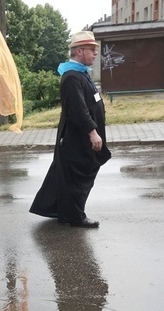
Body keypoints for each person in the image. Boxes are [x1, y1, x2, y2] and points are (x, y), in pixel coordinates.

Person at [29, 31, 111, 228]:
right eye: (92, 50)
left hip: (79, 137)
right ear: (80, 51)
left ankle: (62, 211)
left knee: (68, 176)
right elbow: (78, 109)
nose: (95, 54)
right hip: (78, 138)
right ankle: (75, 217)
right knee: (77, 177)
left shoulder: (80, 74)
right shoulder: (72, 77)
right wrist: (92, 132)